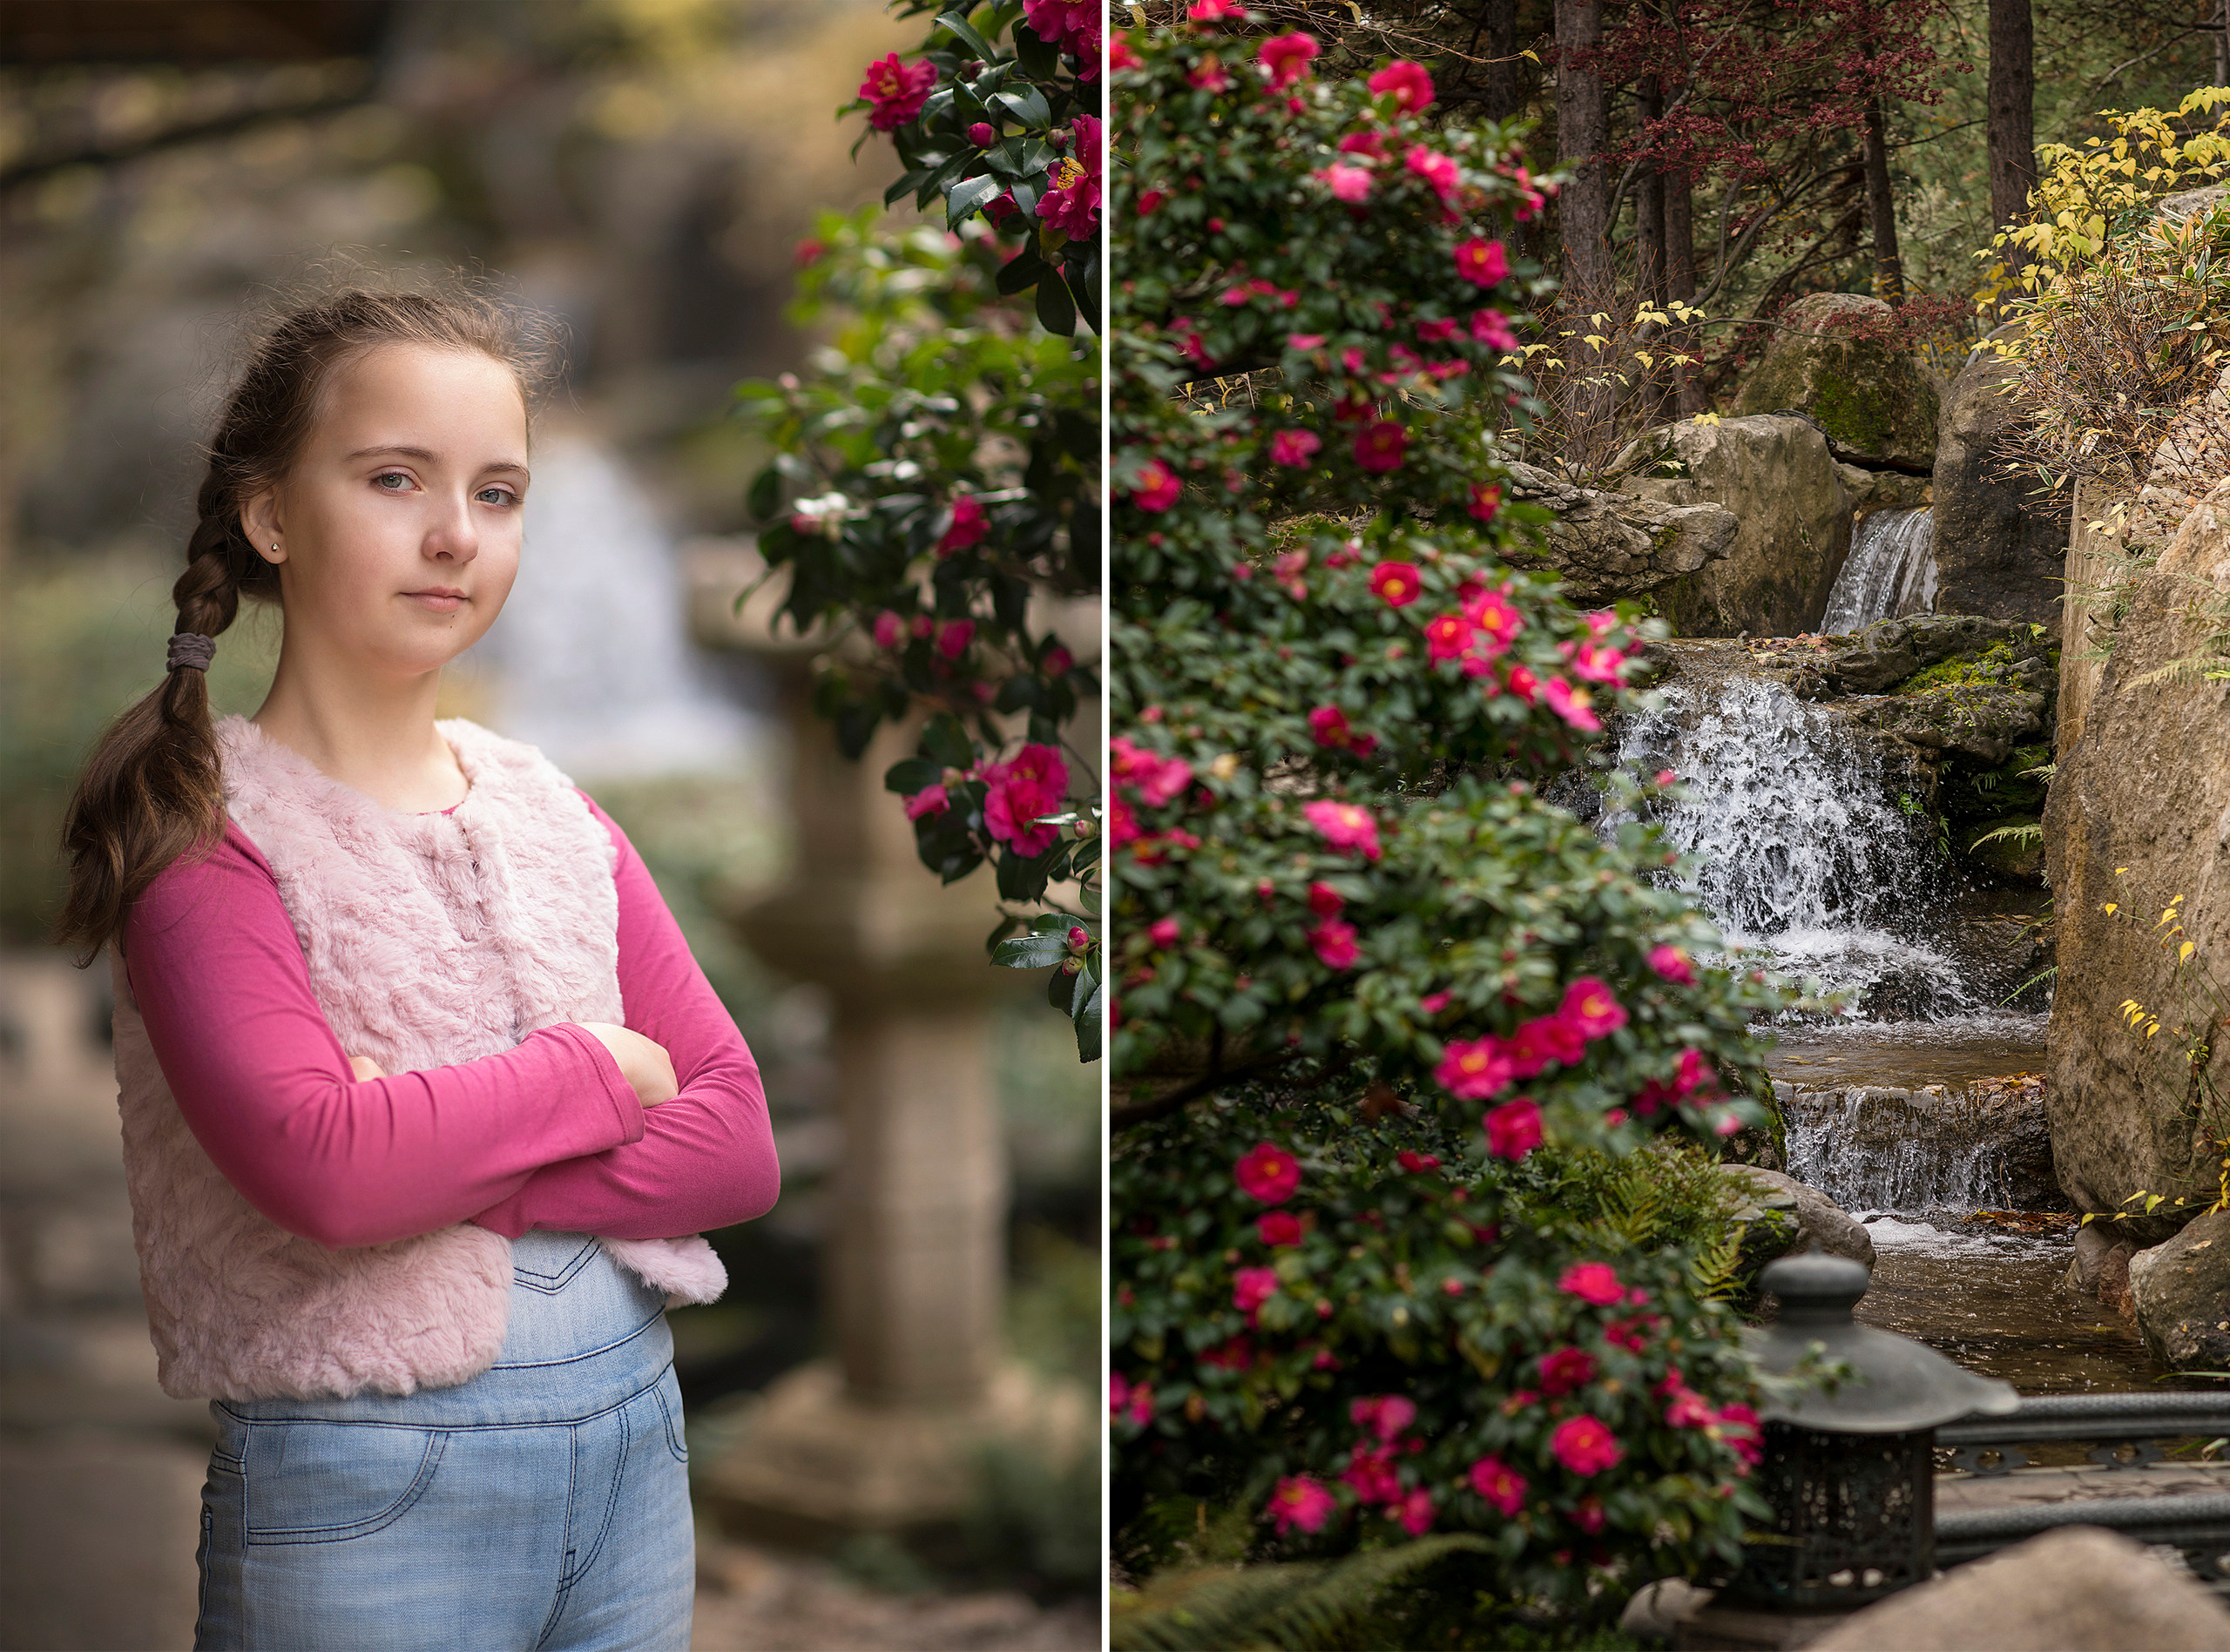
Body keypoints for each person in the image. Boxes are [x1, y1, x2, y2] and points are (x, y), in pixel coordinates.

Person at [53, 282, 780, 1651]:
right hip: (372, 1486)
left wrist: (432, 1144)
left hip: (636, 1453)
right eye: (396, 478)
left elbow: (739, 1146)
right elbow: (330, 1173)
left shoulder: (555, 811)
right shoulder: (205, 842)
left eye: (499, 493)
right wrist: (591, 1075)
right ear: (271, 513)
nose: (456, 536)